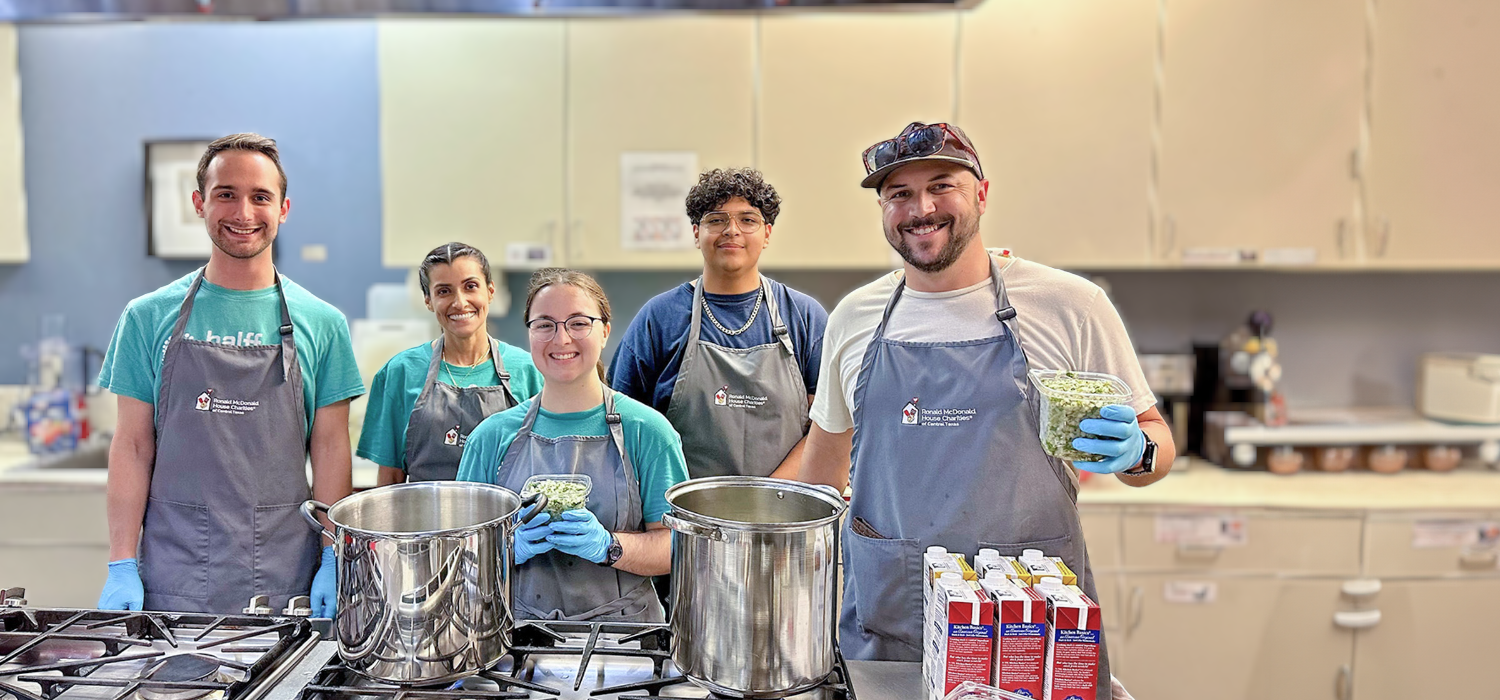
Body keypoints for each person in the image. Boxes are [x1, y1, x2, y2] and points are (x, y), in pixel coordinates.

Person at [797, 122, 1175, 699]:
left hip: (1034, 627)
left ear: (981, 192)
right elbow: (819, 484)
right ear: (882, 208)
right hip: (894, 621)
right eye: (899, 193)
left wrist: (1138, 451)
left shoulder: (1069, 305)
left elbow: (1156, 446)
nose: (921, 208)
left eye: (941, 185)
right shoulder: (854, 317)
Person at [96, 133, 364, 616]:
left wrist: (333, 553)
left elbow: (329, 447)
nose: (243, 213)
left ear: (283, 209)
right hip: (173, 569)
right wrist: (121, 562)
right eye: (226, 194)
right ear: (199, 203)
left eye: (260, 197)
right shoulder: (146, 317)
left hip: (287, 570)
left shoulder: (323, 323)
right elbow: (132, 445)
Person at [457, 268, 687, 622]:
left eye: (579, 323)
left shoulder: (648, 431)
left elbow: (678, 546)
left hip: (625, 639)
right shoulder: (490, 438)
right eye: (545, 324)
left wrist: (609, 545)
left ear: (605, 332)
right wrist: (506, 549)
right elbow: (458, 554)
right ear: (530, 334)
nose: (562, 339)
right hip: (515, 635)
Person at [609, 168, 827, 479]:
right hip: (681, 505)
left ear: (767, 234)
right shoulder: (659, 318)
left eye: (747, 220)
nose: (731, 230)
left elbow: (826, 426)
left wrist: (766, 496)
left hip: (781, 505)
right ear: (696, 234)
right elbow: (622, 423)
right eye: (716, 220)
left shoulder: (804, 316)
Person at [357, 243, 543, 484]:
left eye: (470, 286)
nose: (460, 302)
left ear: (490, 291)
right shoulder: (400, 372)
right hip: (423, 509)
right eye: (444, 291)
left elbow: (541, 466)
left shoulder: (528, 369)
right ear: (428, 300)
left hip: (506, 509)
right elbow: (390, 478)